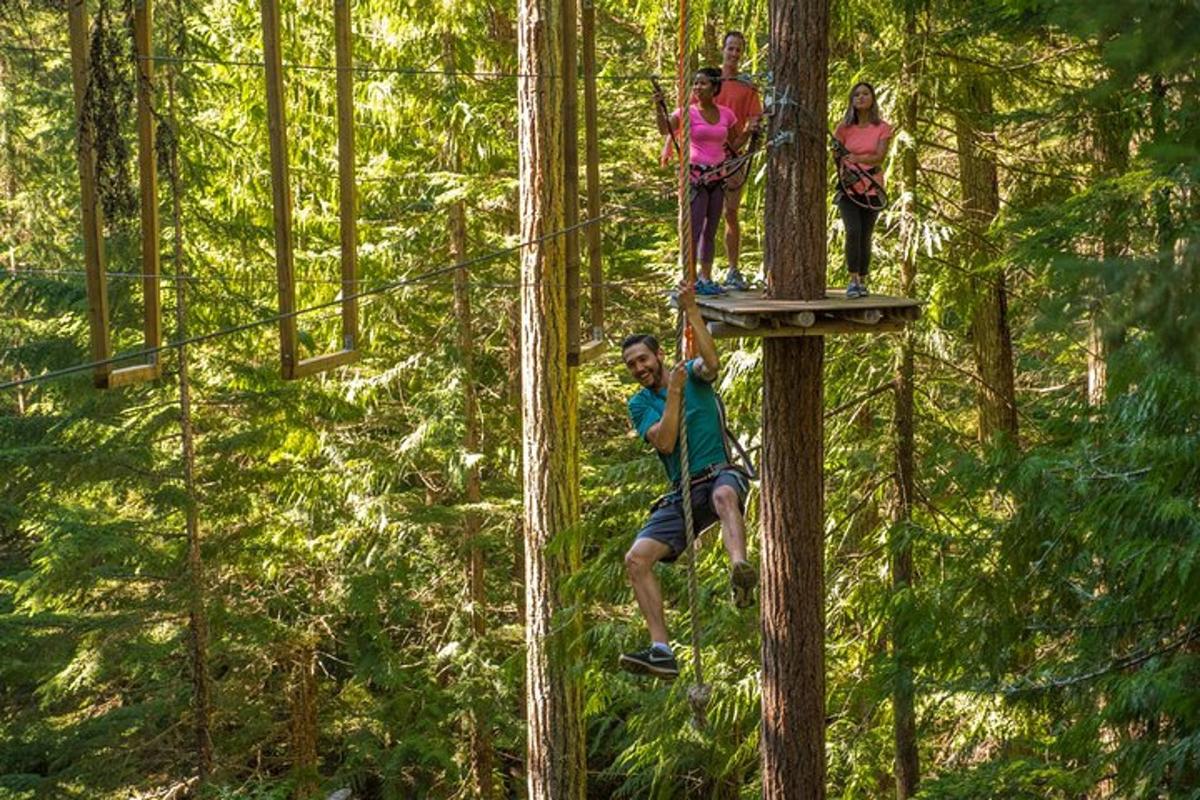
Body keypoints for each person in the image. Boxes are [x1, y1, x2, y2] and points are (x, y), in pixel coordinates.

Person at [618, 281, 757, 679]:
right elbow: (664, 440)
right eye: (632, 365)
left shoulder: (691, 372)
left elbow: (712, 364)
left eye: (643, 359)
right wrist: (673, 393)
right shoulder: (640, 402)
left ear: (658, 355)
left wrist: (692, 311)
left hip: (717, 473)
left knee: (727, 495)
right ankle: (661, 649)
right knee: (636, 560)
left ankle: (739, 569)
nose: (640, 368)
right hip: (682, 492)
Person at [653, 69, 758, 295]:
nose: (697, 87)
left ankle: (706, 277)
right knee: (695, 228)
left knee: (710, 229)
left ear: (714, 88)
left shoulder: (726, 114)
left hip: (717, 177)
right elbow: (665, 129)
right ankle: (689, 279)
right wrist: (658, 107)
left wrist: (750, 132)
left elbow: (734, 143)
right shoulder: (686, 113)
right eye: (696, 83)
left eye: (702, 83)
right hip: (696, 178)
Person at [833, 81, 892, 299]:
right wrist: (844, 170)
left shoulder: (882, 128)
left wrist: (857, 159)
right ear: (851, 100)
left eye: (865, 94)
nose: (861, 98)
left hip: (872, 187)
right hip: (849, 188)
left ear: (872, 99)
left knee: (865, 234)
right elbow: (836, 155)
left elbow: (879, 156)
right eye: (856, 94)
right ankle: (853, 279)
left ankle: (863, 279)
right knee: (853, 231)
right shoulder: (843, 129)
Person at [715, 31, 762, 291]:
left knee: (730, 212)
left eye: (738, 50)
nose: (733, 54)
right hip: (708, 156)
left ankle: (733, 269)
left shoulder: (747, 87)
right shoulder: (710, 81)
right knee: (706, 214)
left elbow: (754, 121)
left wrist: (743, 139)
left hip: (734, 156)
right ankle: (703, 271)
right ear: (723, 49)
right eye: (730, 48)